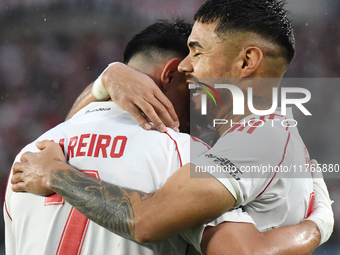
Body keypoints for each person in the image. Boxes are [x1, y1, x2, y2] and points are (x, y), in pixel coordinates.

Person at [10, 0, 334, 254]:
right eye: (187, 53)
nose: (186, 66)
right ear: (168, 74)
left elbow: (146, 220)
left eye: (198, 51)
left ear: (247, 61)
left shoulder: (33, 154)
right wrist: (106, 78)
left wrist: (56, 171)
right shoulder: (185, 154)